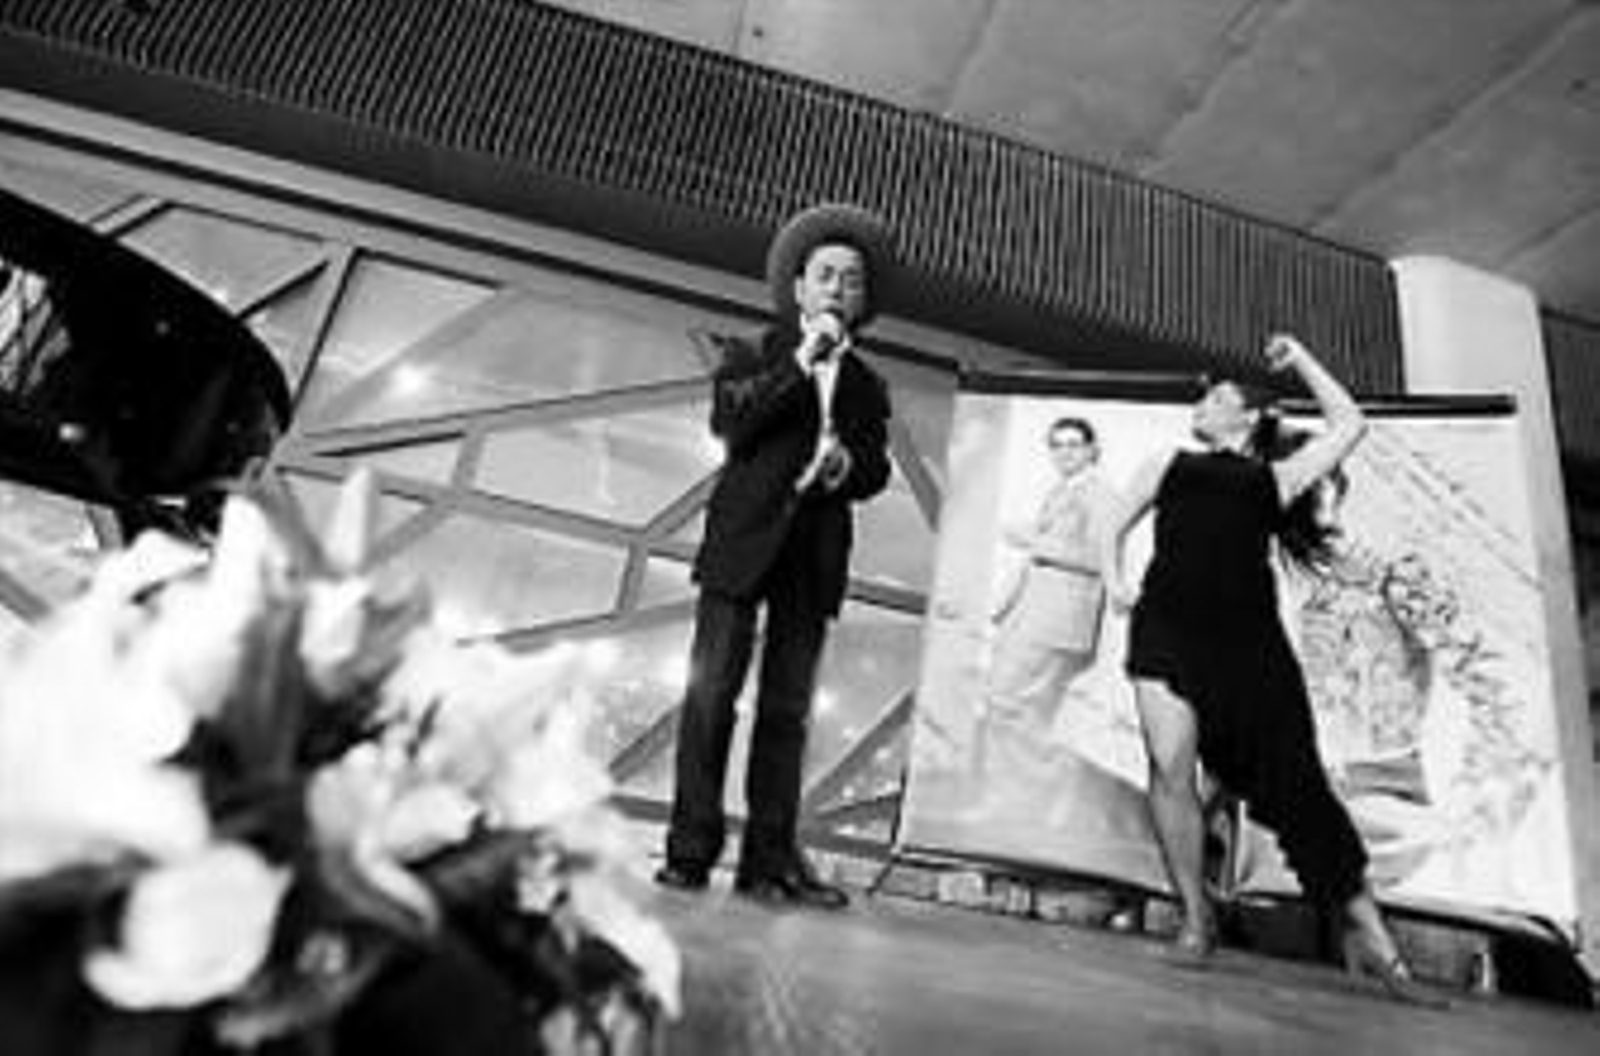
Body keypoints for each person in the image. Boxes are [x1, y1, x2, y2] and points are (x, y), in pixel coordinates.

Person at [1102, 333, 1445, 1005]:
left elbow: (1349, 423)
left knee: (1300, 788)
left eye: (1217, 397)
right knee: (1170, 768)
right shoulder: (1168, 462)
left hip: (1248, 647)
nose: (1203, 403)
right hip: (1166, 629)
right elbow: (1111, 523)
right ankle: (1196, 919)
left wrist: (1302, 360)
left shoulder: (1277, 479)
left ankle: (1378, 946)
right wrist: (1116, 581)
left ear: (1251, 415)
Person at [654, 204, 895, 909]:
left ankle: (768, 862)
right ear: (798, 288)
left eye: (851, 280)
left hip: (813, 555)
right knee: (710, 699)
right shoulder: (753, 352)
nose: (837, 288)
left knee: (787, 711)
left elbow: (877, 469)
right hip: (742, 545)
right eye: (825, 275)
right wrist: (800, 361)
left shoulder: (868, 386)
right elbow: (734, 423)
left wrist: (846, 466)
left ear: (863, 301)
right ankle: (689, 852)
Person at [970, 416, 1113, 795]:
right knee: (1013, 708)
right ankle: (1010, 793)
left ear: (1092, 450)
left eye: (1073, 444)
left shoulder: (1100, 495)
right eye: (1057, 445)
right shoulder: (1063, 490)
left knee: (1013, 707)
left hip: (1055, 624)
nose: (1064, 453)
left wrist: (1033, 541)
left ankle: (1020, 793)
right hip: (1034, 617)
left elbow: (1101, 559)